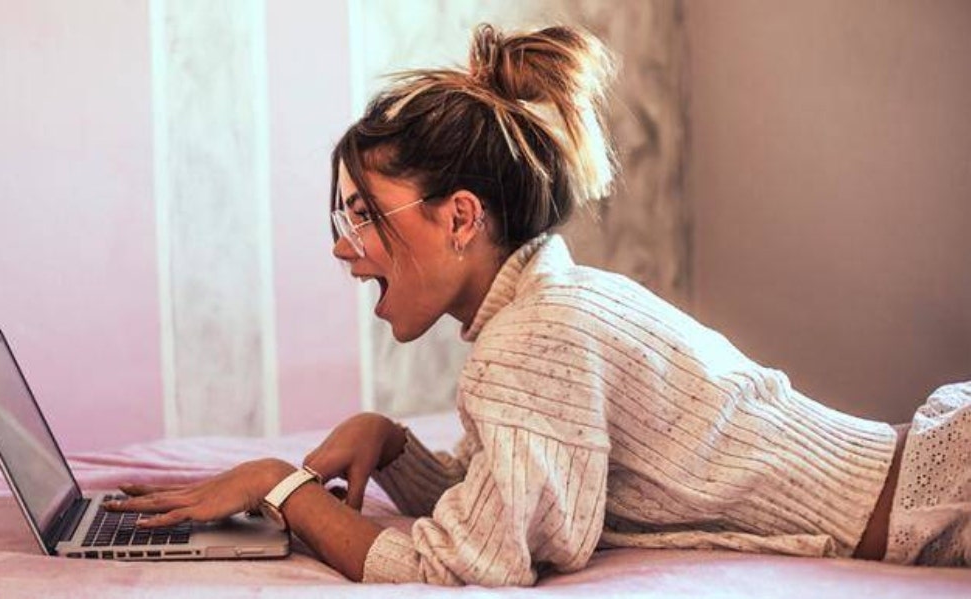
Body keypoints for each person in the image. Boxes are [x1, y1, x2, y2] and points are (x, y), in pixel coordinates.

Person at [107, 23, 971, 585]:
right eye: (343, 215)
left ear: (460, 218)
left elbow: (467, 562)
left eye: (364, 213)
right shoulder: (541, 314)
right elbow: (519, 494)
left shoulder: (537, 336)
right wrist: (393, 442)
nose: (343, 243)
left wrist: (281, 485)